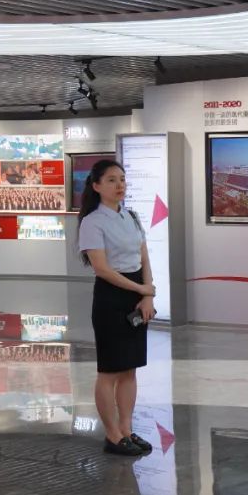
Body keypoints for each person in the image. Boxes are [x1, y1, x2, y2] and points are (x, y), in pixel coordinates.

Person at [77, 159, 156, 456]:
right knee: (110, 370)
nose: (119, 185)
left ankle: (126, 429)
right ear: (97, 186)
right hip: (111, 297)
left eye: (121, 179)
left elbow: (144, 257)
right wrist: (141, 290)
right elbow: (102, 268)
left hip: (136, 293)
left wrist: (147, 295)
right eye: (111, 180)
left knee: (129, 369)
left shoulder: (131, 216)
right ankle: (112, 435)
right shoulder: (92, 221)